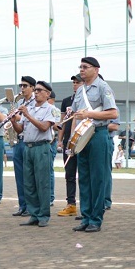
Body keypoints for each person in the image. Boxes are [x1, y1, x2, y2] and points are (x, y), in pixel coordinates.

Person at [71, 57, 118, 233]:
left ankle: (95, 219)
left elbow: (112, 113)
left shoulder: (103, 87)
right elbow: (77, 116)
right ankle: (85, 216)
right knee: (83, 178)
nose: (82, 70)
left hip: (98, 134)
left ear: (96, 70)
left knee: (97, 178)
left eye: (85, 67)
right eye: (80, 67)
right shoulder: (80, 90)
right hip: (83, 136)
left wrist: (90, 114)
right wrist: (72, 140)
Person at [11, 80, 56, 227]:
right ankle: (34, 214)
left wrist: (28, 115)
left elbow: (44, 127)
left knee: (42, 182)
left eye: (40, 90)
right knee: (28, 183)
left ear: (47, 93)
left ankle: (43, 215)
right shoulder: (29, 107)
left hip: (41, 147)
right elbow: (20, 130)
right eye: (35, 90)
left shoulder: (51, 109)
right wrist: (12, 121)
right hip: (28, 147)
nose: (36, 93)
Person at [57, 74, 83, 217]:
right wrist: (60, 140)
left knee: (84, 175)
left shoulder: (85, 100)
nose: (75, 85)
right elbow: (63, 121)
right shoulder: (67, 101)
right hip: (68, 142)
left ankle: (86, 205)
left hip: (82, 140)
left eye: (77, 82)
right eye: (73, 82)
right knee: (70, 174)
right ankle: (71, 204)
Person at [11, 76, 36, 217]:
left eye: (25, 86)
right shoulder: (20, 102)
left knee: (29, 177)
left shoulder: (35, 102)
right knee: (19, 176)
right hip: (19, 141)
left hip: (29, 142)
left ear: (32, 87)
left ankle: (31, 207)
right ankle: (22, 205)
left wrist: (19, 117)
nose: (22, 88)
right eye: (21, 85)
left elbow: (33, 120)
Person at [48, 90, 60, 207]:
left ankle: (50, 196)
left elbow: (58, 127)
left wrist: (49, 122)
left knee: (49, 170)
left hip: (51, 142)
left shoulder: (55, 110)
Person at [105, 115, 120, 211]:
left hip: (106, 140)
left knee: (105, 172)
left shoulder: (112, 107)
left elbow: (115, 126)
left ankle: (106, 201)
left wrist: (97, 125)